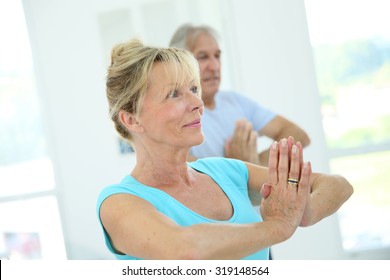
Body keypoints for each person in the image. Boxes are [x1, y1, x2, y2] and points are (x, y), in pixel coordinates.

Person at [96, 38, 353, 260]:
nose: (197, 103)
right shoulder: (119, 202)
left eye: (194, 89)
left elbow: (337, 184)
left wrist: (305, 212)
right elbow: (185, 251)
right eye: (175, 94)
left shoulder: (224, 171)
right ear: (131, 119)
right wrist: (279, 226)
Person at [169, 24, 311, 166]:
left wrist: (255, 164)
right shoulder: (176, 115)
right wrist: (239, 165)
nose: (214, 66)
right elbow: (183, 169)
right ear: (180, 64)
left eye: (217, 56)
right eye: (203, 57)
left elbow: (298, 136)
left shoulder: (235, 101)